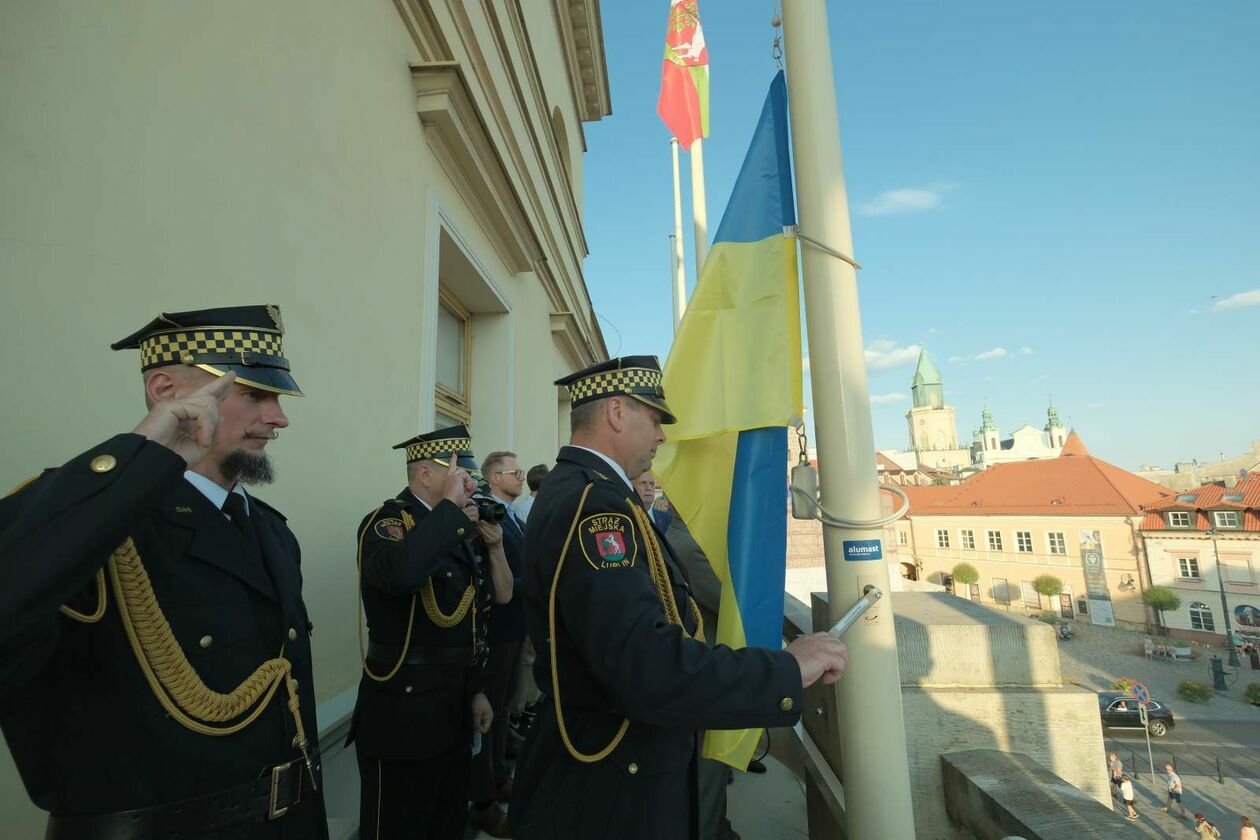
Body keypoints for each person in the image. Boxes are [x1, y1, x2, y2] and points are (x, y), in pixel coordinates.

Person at [0, 305, 327, 838]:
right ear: (165, 391)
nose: (278, 418)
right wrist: (140, 454)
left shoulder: (269, 531)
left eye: (279, 399)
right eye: (252, 394)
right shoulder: (87, 521)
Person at [509, 355, 849, 840]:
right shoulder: (595, 505)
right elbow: (645, 664)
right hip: (613, 785)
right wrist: (787, 669)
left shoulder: (587, 492)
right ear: (617, 412)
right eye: (655, 419)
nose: (662, 436)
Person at [347, 425, 512, 839]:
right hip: (404, 717)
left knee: (445, 824)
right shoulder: (387, 523)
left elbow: (471, 618)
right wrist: (452, 516)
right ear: (425, 475)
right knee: (399, 828)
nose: (472, 485)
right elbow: (403, 574)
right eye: (462, 475)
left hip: (452, 710)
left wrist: (475, 689)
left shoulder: (455, 531)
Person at [651, 478, 738, 840]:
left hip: (700, 663)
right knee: (709, 764)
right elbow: (728, 603)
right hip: (709, 661)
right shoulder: (690, 544)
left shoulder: (678, 536)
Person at [468, 450, 531, 836]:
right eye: (514, 472)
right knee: (487, 714)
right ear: (494, 478)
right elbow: (489, 578)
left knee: (504, 707)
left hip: (514, 626)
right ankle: (483, 800)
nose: (521, 476)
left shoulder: (509, 516)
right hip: (496, 629)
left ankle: (498, 777)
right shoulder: (485, 516)